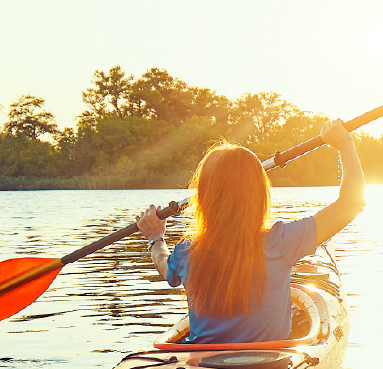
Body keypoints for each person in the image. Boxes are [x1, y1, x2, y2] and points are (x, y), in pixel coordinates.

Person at [135, 119, 365, 343]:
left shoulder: (187, 252)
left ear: (204, 198)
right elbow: (351, 204)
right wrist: (345, 145)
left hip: (200, 368)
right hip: (269, 365)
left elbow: (165, 267)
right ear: (258, 195)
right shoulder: (281, 242)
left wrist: (155, 238)